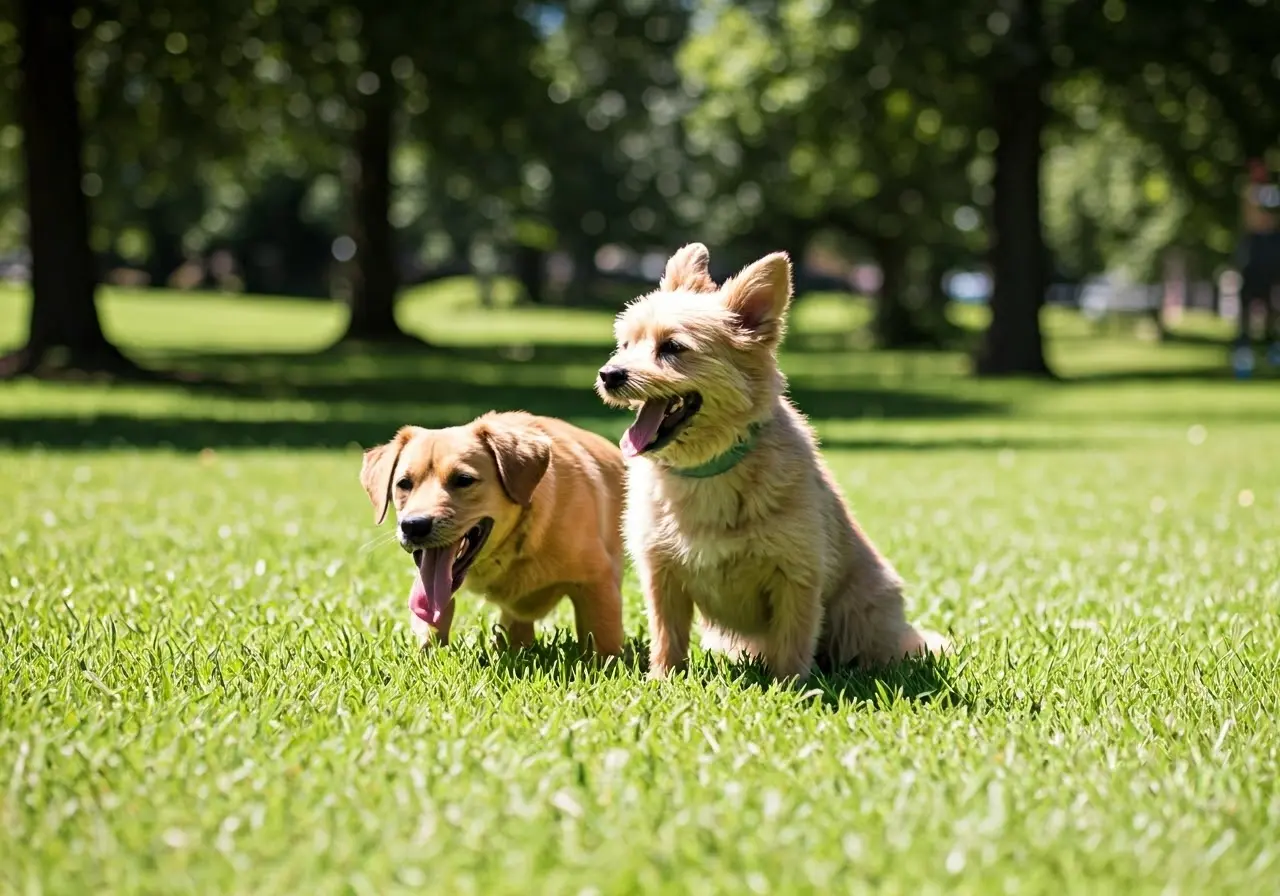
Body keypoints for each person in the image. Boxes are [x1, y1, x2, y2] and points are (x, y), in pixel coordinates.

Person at [1233, 156, 1280, 377]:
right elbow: (1256, 220)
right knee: (1247, 305)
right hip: (1254, 254)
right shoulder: (1251, 192)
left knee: (1272, 303)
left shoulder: (1271, 193)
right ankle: (1244, 353)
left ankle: (1272, 348)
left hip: (1269, 253)